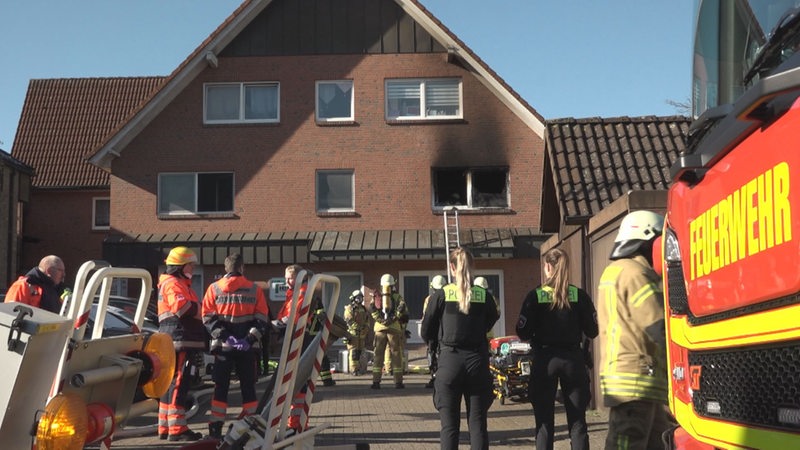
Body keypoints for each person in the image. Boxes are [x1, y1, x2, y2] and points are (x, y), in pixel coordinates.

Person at [597, 210, 676, 450]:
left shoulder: (615, 271)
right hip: (638, 379)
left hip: (632, 380)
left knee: (656, 441)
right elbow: (657, 325)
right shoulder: (637, 273)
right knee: (628, 444)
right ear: (647, 241)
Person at [515, 247, 599, 450]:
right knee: (578, 423)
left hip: (545, 360)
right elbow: (593, 330)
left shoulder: (535, 296)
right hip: (573, 359)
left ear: (547, 267)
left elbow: (522, 332)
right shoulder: (579, 295)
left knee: (544, 423)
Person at [421, 247, 499, 450]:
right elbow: (491, 319)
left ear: (452, 267)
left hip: (449, 362)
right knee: (478, 425)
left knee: (449, 427)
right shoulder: (484, 295)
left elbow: (426, 330)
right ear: (472, 267)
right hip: (477, 362)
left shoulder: (441, 295)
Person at [202, 253, 270, 440]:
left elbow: (207, 318)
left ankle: (215, 428)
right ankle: (251, 428)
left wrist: (227, 338)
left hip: (223, 348)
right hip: (247, 349)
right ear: (241, 268)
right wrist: (247, 340)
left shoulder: (214, 289)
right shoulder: (254, 290)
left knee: (220, 387)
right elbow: (262, 319)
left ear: (226, 269)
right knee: (248, 387)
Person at [156, 246, 206, 442]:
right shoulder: (174, 284)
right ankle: (177, 429)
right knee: (179, 383)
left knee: (171, 383)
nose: (192, 269)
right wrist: (200, 308)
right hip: (179, 340)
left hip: (176, 339)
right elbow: (182, 308)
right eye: (190, 265)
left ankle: (165, 427)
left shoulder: (174, 283)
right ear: (180, 266)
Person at [369, 273, 409, 389]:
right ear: (393, 284)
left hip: (380, 329)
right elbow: (403, 310)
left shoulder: (377, 296)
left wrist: (381, 320)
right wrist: (393, 319)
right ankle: (398, 382)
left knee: (378, 355)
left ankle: (376, 382)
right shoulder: (397, 297)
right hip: (394, 329)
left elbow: (372, 310)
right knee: (396, 354)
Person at [423, 275, 446, 388]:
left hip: (433, 331)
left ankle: (434, 377)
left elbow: (427, 317)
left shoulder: (429, 299)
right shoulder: (448, 298)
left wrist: (425, 333)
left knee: (432, 354)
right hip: (444, 331)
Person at [344, 289, 370, 375]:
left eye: (360, 297)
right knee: (353, 352)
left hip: (362, 335)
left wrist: (366, 327)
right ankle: (354, 370)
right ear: (353, 298)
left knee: (360, 352)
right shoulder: (349, 308)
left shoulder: (364, 309)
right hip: (353, 334)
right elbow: (349, 320)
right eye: (357, 298)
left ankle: (360, 369)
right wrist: (358, 328)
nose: (359, 299)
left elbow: (367, 320)